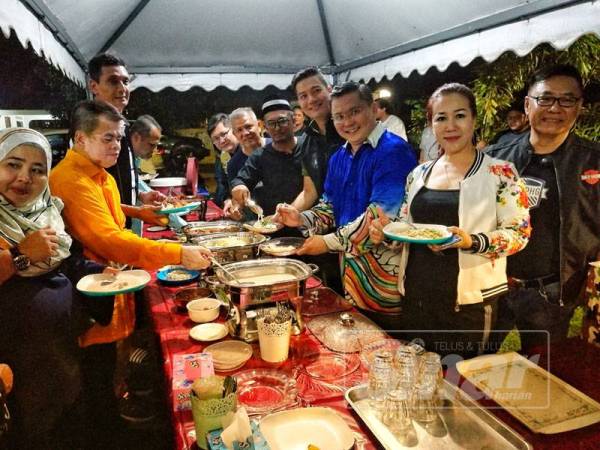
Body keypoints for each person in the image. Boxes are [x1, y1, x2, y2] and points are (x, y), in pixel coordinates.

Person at [49, 100, 212, 447]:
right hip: (91, 298)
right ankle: (110, 436)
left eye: (119, 139)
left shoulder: (98, 173)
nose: (116, 146)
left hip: (112, 286)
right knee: (98, 378)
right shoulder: (69, 178)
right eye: (107, 138)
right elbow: (109, 240)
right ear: (80, 138)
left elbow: (110, 214)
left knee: (113, 370)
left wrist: (148, 214)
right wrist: (178, 253)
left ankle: (120, 414)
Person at [367, 83, 531, 356]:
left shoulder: (501, 172)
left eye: (460, 115)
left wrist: (472, 241)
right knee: (420, 375)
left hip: (468, 305)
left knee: (463, 382)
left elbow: (519, 233)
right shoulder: (418, 174)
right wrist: (387, 235)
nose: (450, 125)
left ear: (474, 119)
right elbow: (408, 228)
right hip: (417, 296)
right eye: (441, 118)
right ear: (431, 124)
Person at [0, 128, 115, 448]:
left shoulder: (46, 213)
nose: (25, 177)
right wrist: (19, 256)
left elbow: (63, 261)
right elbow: (29, 259)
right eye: (13, 164)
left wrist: (98, 272)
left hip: (60, 361)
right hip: (14, 378)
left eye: (37, 170)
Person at [486, 64, 600, 351]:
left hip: (553, 293)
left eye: (567, 99)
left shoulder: (593, 161)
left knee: (541, 376)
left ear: (579, 107)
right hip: (493, 286)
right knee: (471, 364)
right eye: (545, 98)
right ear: (528, 104)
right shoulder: (494, 159)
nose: (555, 108)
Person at [276, 82, 417, 311]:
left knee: (390, 341)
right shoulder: (339, 157)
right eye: (339, 116)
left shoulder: (394, 151)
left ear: (372, 108)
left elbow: (379, 217)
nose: (348, 122)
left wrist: (326, 243)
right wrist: (301, 218)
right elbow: (329, 206)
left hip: (386, 278)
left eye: (354, 112)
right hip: (350, 273)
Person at [230, 97, 317, 216]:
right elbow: (241, 179)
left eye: (282, 121)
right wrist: (239, 186)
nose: (277, 128)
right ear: (265, 126)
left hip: (312, 223)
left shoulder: (309, 146)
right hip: (275, 226)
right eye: (271, 123)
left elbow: (311, 191)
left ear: (293, 121)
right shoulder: (260, 156)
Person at [292, 66, 344, 197]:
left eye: (316, 91)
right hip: (324, 213)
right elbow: (309, 192)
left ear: (329, 90)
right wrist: (280, 216)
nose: (311, 100)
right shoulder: (306, 141)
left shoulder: (350, 129)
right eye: (303, 96)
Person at [208, 113, 239, 207]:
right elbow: (222, 185)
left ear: (234, 129)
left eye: (224, 134)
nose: (221, 141)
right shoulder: (223, 157)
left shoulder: (250, 151)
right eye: (216, 138)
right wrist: (227, 199)